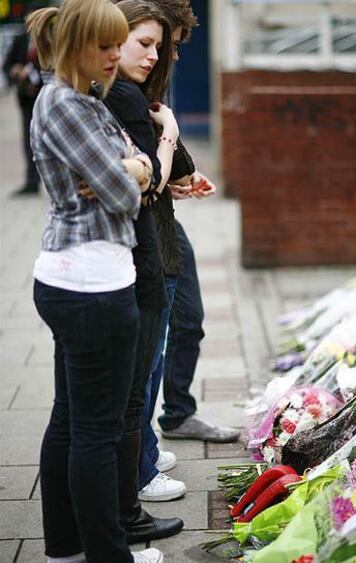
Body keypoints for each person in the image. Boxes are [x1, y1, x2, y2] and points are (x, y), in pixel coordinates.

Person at [28, 1, 163, 561]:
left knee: (73, 419)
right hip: (90, 285)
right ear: (76, 45)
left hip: (84, 277)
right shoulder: (70, 106)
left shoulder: (79, 100)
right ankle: (109, 553)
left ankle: (65, 546)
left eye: (117, 45)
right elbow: (125, 191)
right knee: (97, 432)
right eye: (105, 46)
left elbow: (137, 165)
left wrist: (132, 166)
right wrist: (130, 171)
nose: (115, 57)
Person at [103, 0, 186, 533]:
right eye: (148, 44)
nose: (157, 56)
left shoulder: (113, 93)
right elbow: (149, 175)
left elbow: (154, 175)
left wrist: (156, 170)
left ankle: (129, 488)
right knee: (129, 387)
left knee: (132, 383)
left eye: (164, 46)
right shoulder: (118, 95)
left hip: (137, 251)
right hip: (130, 259)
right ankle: (129, 498)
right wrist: (169, 133)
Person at [2, 2, 42, 196]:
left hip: (43, 97)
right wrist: (15, 72)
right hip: (25, 99)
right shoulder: (20, 39)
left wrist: (33, 73)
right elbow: (8, 64)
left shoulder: (48, 39)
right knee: (28, 140)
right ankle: (31, 181)